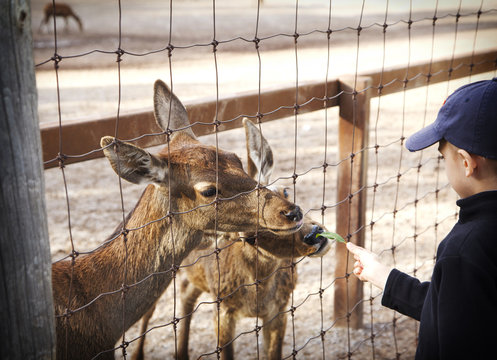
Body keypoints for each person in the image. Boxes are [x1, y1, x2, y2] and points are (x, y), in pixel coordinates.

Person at [346, 77, 497, 359]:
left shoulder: (464, 250)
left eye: (444, 157)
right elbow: (458, 306)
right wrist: (385, 277)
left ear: (466, 163)